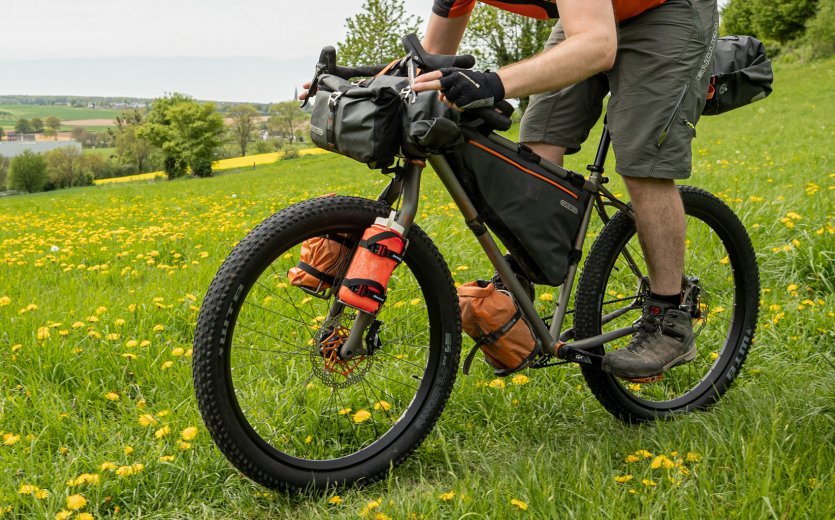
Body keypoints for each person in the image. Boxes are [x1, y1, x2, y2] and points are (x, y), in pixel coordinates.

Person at [411, 0, 719, 381]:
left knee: (643, 161)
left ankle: (670, 317)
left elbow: (597, 46)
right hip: (594, 15)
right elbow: (431, 60)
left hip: (666, 12)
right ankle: (519, 279)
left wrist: (493, 82)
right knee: (537, 145)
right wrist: (363, 87)